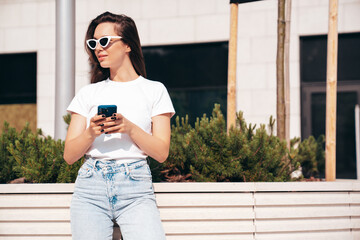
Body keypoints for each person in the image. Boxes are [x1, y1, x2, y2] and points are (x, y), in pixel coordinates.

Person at [63, 11, 175, 240]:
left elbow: (161, 152)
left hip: (135, 187)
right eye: (93, 43)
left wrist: (129, 128)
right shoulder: (88, 93)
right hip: (90, 187)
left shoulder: (154, 90)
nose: (98, 48)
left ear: (127, 45)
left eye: (105, 41)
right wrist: (91, 132)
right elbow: (69, 155)